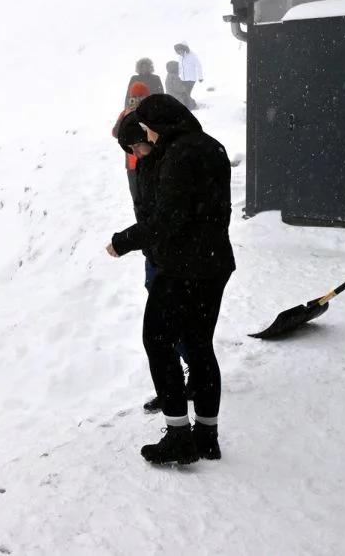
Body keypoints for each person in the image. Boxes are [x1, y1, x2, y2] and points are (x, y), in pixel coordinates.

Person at [106, 94, 235, 465]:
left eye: (147, 129)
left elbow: (165, 220)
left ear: (159, 124)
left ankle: (179, 435)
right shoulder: (211, 146)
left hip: (182, 267)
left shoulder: (179, 155)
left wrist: (123, 241)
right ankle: (206, 437)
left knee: (158, 341)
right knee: (198, 345)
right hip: (214, 263)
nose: (147, 136)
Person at [114, 112, 190, 414]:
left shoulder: (169, 164)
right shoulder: (147, 164)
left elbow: (165, 219)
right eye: (129, 151)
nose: (134, 154)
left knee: (167, 328)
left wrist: (126, 241)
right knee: (167, 326)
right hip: (156, 252)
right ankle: (181, 381)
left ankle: (185, 383)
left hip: (172, 257)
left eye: (136, 146)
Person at [112, 82, 151, 203]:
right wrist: (126, 118)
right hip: (133, 166)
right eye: (134, 98)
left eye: (141, 97)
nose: (138, 101)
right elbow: (115, 133)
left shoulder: (151, 112)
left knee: (152, 198)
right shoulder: (125, 113)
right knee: (138, 200)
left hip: (151, 162)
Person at [173, 43, 204, 109]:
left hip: (191, 78)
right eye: (177, 52)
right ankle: (189, 105)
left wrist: (200, 77)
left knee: (186, 93)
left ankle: (190, 106)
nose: (179, 53)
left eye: (179, 50)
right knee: (184, 93)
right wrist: (177, 75)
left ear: (183, 49)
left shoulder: (192, 55)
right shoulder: (180, 57)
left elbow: (199, 66)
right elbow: (180, 67)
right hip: (183, 78)